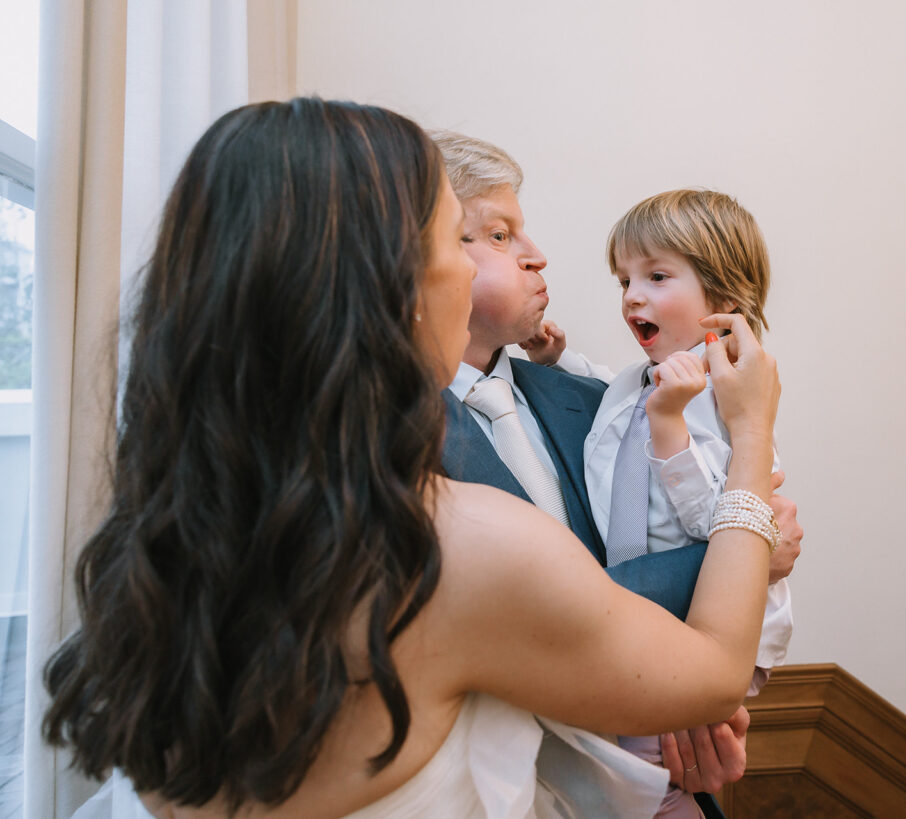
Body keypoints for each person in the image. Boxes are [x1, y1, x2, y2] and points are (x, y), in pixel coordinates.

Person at [43, 98, 783, 819]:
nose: (473, 270)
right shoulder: (459, 546)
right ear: (391, 290)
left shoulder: (160, 548)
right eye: (456, 242)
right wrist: (750, 438)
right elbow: (717, 673)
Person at [434, 132, 803, 814]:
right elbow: (541, 612)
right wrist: (747, 552)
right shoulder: (383, 439)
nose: (538, 253)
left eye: (656, 276)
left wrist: (688, 709)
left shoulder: (594, 402)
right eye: (499, 232)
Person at [558, 189, 792, 817]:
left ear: (725, 300)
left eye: (657, 276)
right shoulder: (640, 378)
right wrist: (554, 355)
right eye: (625, 279)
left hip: (714, 626)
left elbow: (726, 525)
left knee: (652, 773)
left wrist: (671, 427)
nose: (633, 295)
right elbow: (604, 384)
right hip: (646, 623)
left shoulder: (732, 396)